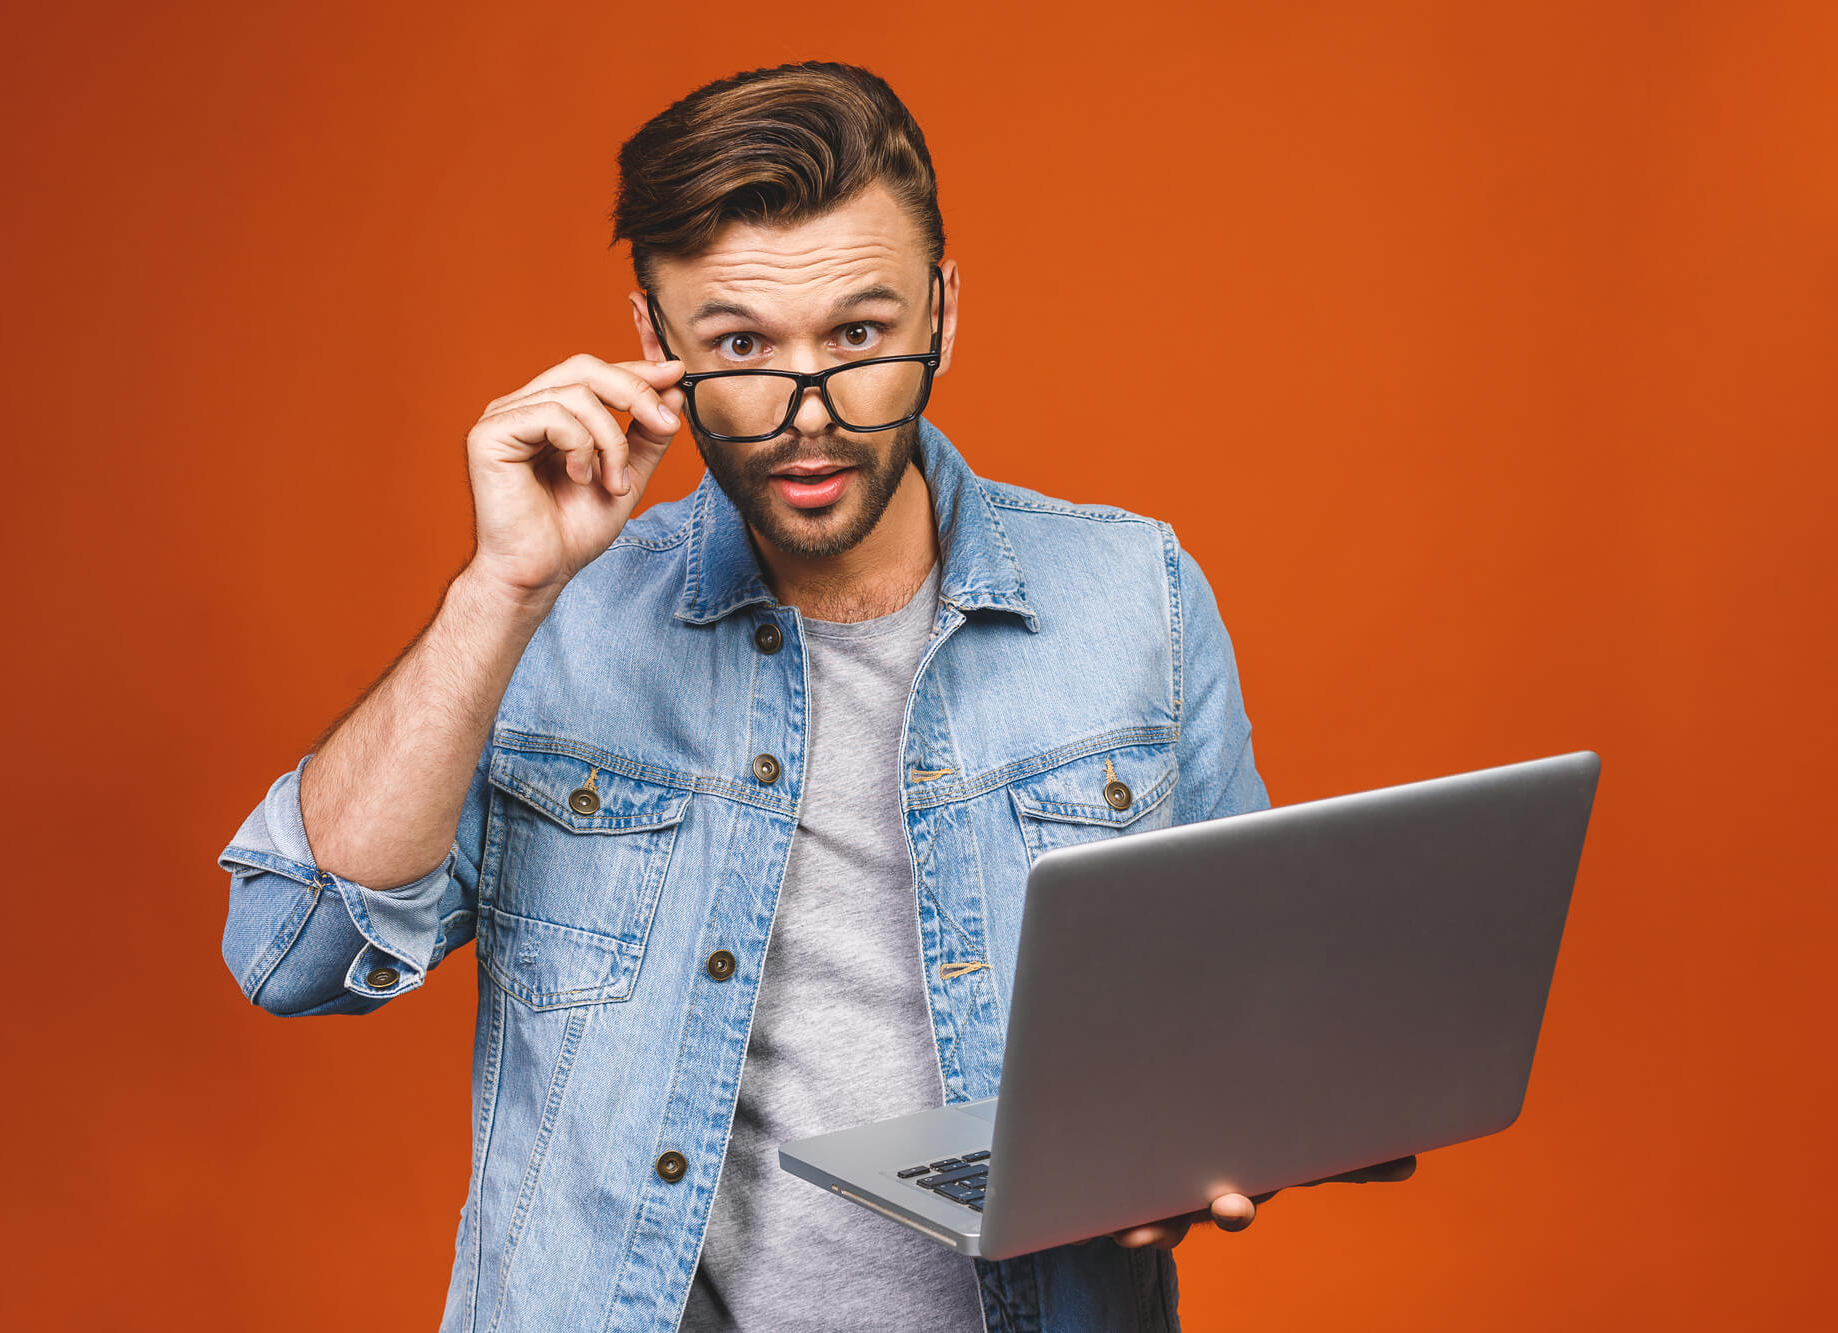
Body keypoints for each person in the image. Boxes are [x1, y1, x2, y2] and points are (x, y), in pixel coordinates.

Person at [217, 60, 1410, 1333]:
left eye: (857, 334)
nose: (809, 415)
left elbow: (1245, 1028)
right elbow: (294, 955)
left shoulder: (1137, 597)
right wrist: (498, 591)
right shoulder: (552, 623)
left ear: (943, 311)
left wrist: (1202, 1145)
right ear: (652, 345)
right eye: (740, 345)